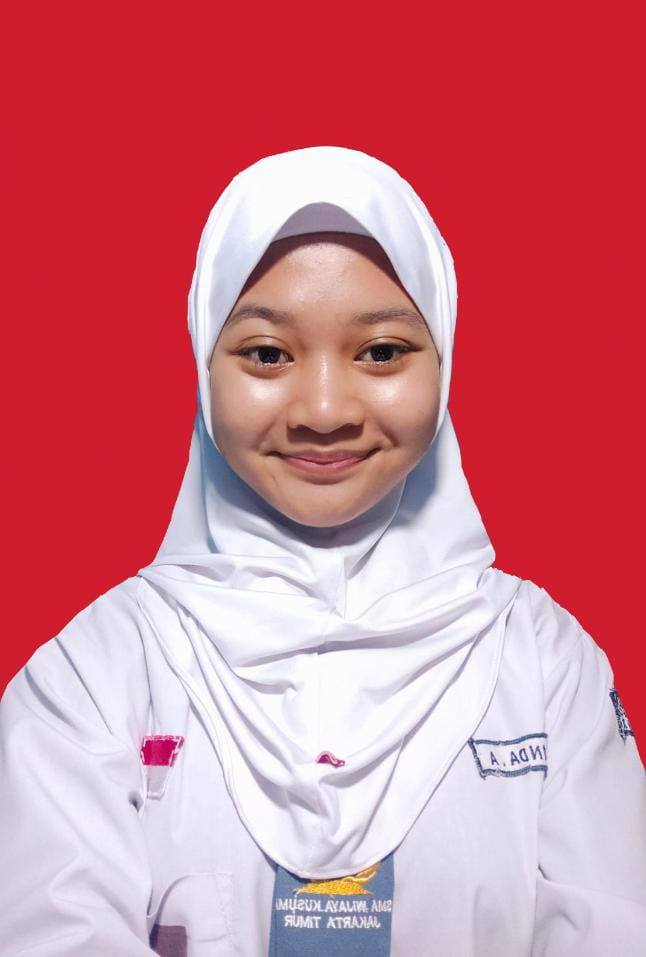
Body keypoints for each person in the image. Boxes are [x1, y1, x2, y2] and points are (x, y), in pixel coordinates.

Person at [0, 146, 644, 957]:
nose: (326, 408)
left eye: (382, 351)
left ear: (445, 358)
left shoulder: (542, 662)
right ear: (203, 364)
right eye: (268, 353)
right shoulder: (94, 673)